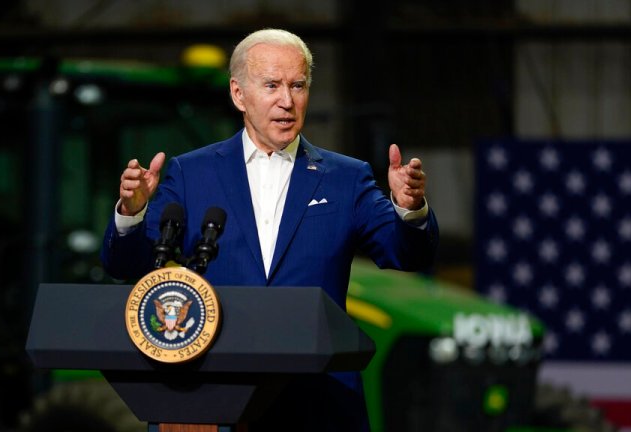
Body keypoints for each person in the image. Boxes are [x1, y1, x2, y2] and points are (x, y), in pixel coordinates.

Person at [101, 28, 439, 432]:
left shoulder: (345, 178)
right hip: (212, 397)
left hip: (318, 401)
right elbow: (126, 265)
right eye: (272, 85)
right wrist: (131, 213)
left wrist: (410, 207)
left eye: (298, 86)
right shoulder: (190, 173)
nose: (287, 100)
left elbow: (406, 253)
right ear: (238, 94)